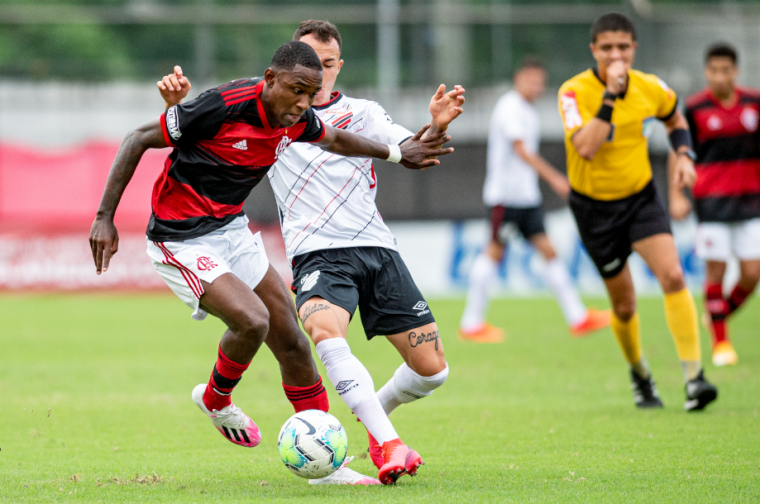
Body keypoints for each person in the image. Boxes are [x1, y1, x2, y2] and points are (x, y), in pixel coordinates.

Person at [89, 40, 451, 478]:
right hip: (180, 238)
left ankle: (330, 466)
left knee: (294, 342)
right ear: (269, 79)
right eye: (296, 90)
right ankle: (217, 399)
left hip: (231, 230)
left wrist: (397, 153)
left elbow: (335, 138)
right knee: (253, 320)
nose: (303, 103)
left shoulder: (297, 119)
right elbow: (138, 138)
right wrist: (105, 217)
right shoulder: (223, 105)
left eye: (311, 94)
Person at [557, 13, 718, 411]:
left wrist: (683, 154)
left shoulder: (651, 87)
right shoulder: (573, 92)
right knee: (625, 304)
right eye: (607, 48)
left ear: (634, 49)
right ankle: (640, 374)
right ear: (593, 50)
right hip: (594, 208)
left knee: (674, 274)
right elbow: (586, 147)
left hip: (640, 198)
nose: (616, 55)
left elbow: (675, 117)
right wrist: (611, 95)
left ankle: (694, 379)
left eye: (623, 47)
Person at [459, 57, 610, 343]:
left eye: (540, 81)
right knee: (493, 252)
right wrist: (555, 178)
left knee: (549, 252)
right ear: (518, 78)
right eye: (531, 79)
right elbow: (521, 150)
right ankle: (471, 324)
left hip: (526, 198)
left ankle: (578, 318)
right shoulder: (510, 107)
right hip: (506, 197)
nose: (536, 85)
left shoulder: (528, 110)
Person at [673, 43, 760, 366]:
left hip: (751, 200)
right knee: (717, 271)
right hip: (711, 203)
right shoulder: (695, 108)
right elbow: (678, 150)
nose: (720, 76)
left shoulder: (754, 103)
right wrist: (677, 194)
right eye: (714, 70)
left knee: (752, 274)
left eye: (726, 70)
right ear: (706, 71)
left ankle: (716, 315)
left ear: (735, 71)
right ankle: (721, 342)